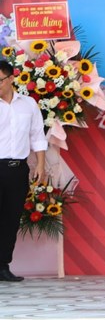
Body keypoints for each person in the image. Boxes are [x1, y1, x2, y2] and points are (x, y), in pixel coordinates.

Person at [0, 60, 46, 283]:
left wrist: (40, 165)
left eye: (0, 80)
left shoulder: (28, 104)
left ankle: (3, 266)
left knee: (11, 218)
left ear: (11, 79)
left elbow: (37, 136)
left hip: (18, 169)